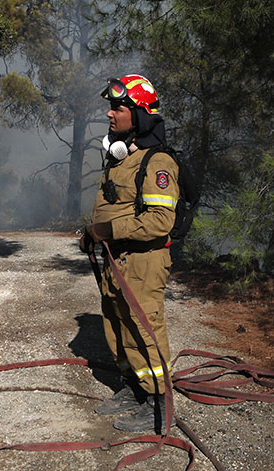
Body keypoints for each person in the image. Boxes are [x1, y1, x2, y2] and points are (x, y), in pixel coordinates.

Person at [79, 74, 179, 433]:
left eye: (118, 108)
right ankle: (134, 388)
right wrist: (94, 236)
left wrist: (107, 230)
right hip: (116, 258)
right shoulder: (123, 157)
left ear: (138, 114)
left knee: (144, 326)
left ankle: (158, 405)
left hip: (143, 261)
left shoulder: (157, 162)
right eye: (110, 107)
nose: (109, 114)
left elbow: (160, 221)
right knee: (116, 321)